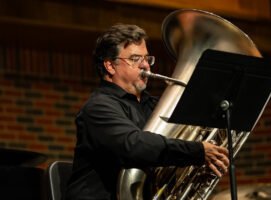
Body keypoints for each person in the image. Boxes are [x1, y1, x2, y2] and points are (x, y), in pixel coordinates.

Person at [65, 24, 229, 200]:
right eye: (135, 59)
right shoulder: (97, 107)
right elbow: (133, 145)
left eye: (147, 58)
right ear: (110, 66)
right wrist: (196, 151)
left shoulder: (152, 106)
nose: (145, 65)